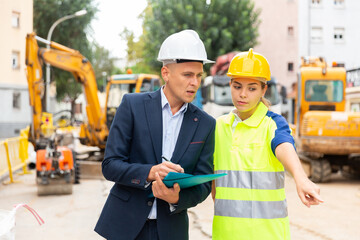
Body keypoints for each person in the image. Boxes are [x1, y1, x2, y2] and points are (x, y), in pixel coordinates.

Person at [95, 30, 216, 240]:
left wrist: (177, 198)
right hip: (125, 227)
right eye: (187, 75)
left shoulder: (206, 124)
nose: (195, 82)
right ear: (166, 73)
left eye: (198, 76)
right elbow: (110, 165)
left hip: (171, 230)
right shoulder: (132, 106)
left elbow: (203, 185)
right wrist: (150, 172)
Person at [211, 49, 324, 240]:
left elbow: (283, 145)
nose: (243, 94)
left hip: (267, 235)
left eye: (252, 88)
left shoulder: (272, 123)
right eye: (237, 86)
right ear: (230, 84)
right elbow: (215, 187)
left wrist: (301, 178)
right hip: (225, 234)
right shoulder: (219, 126)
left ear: (264, 89)